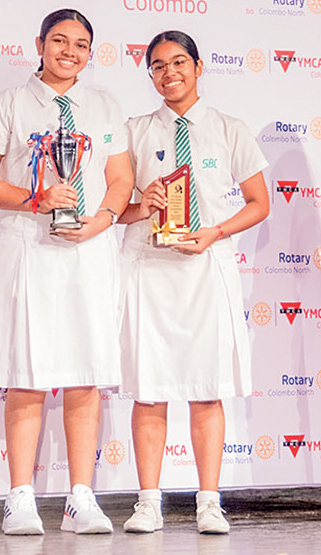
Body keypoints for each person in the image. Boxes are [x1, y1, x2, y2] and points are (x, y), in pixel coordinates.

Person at [0, 9, 133, 535]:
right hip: (28, 250)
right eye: (60, 41)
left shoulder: (104, 105)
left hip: (88, 252)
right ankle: (20, 496)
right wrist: (34, 199)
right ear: (39, 44)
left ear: (90, 53)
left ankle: (81, 496)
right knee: (26, 372)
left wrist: (101, 221)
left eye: (80, 44)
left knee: (86, 373)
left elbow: (120, 179)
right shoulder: (10, 103)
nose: (69, 52)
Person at [118, 31, 269, 534]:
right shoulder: (134, 131)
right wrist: (143, 205)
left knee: (207, 390)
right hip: (150, 269)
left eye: (179, 62)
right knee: (149, 389)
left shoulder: (229, 129)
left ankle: (209, 502)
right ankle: (148, 502)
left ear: (199, 67)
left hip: (207, 268)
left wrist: (215, 233)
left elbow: (259, 203)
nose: (170, 73)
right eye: (158, 66)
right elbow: (115, 208)